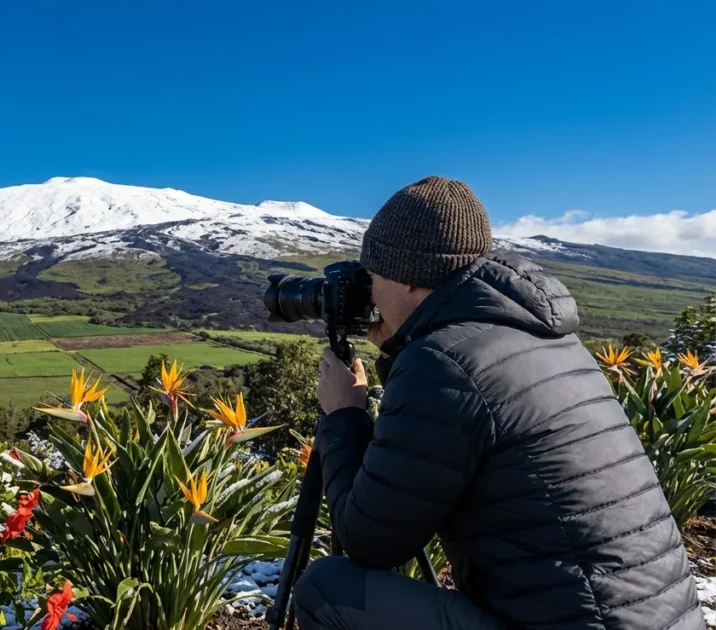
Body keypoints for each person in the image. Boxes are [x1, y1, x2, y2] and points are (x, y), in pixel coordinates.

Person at [295, 176, 703, 629]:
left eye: (372, 276)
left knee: (327, 589)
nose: (369, 293)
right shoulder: (548, 337)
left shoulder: (443, 363)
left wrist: (345, 415)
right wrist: (402, 349)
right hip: (661, 618)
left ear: (405, 278)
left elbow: (368, 541)